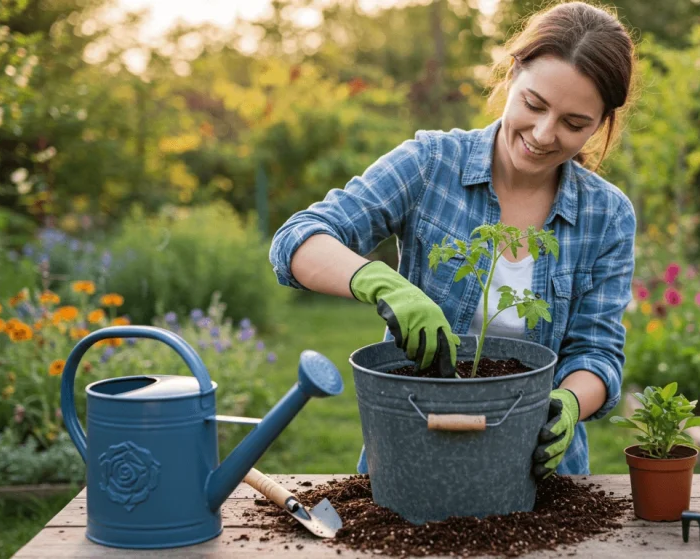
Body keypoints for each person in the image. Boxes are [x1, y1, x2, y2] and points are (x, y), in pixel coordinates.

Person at [269, 1, 637, 479]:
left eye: (574, 123)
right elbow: (296, 239)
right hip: (414, 451)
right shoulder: (431, 164)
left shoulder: (606, 215)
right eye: (534, 104)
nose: (544, 134)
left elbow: (597, 352)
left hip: (538, 469)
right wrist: (379, 280)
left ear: (602, 122)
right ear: (511, 74)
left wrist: (569, 400)